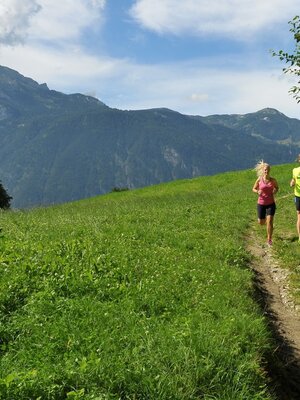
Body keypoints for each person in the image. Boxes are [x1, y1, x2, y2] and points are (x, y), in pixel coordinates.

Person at [252, 161, 279, 245]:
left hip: (271, 204)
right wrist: (257, 191)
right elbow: (253, 188)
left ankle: (269, 239)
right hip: (261, 204)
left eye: (267, 170)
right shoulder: (259, 179)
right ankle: (265, 221)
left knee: (270, 220)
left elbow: (277, 187)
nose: (266, 171)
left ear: (269, 170)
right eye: (265, 170)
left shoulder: (273, 180)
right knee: (261, 222)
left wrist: (275, 190)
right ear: (263, 170)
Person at [290, 154, 300, 242]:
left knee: (299, 215)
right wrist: (292, 182)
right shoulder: (295, 170)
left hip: (298, 196)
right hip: (298, 195)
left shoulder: (295, 170)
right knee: (299, 215)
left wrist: (292, 182)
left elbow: (293, 180)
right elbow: (293, 180)